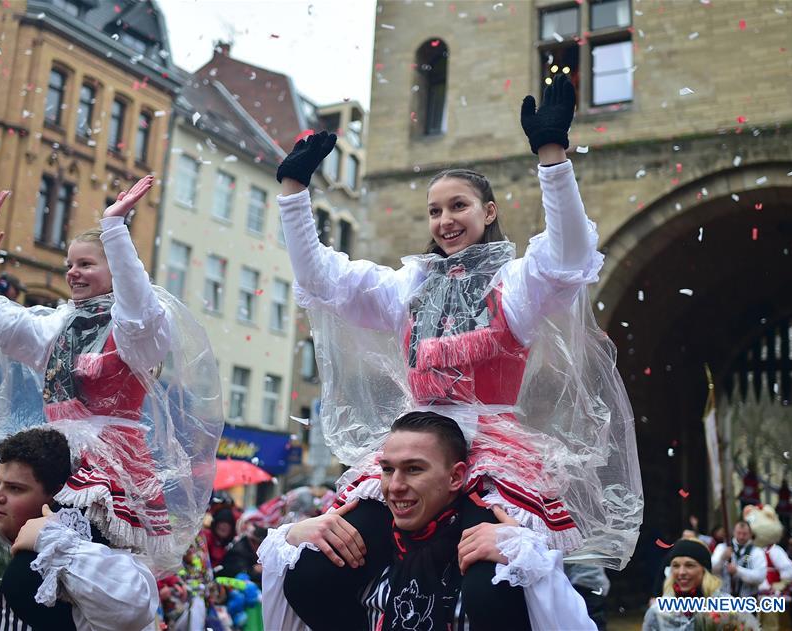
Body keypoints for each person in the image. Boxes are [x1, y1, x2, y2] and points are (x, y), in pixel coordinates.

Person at [274, 74, 640, 578]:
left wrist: (553, 159)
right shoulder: (408, 286)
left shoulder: (514, 283)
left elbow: (568, 256)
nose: (445, 220)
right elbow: (321, 279)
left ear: (489, 212)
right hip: (415, 449)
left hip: (491, 455)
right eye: (434, 211)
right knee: (318, 569)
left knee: (494, 576)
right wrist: (294, 194)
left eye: (458, 206)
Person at [0, 177, 223, 570]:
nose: (73, 273)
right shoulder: (56, 324)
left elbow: (139, 309)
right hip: (51, 453)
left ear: (116, 270)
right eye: (70, 265)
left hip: (107, 464)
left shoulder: (136, 330)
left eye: (86, 264)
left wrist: (115, 228)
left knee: (68, 564)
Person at [260, 411, 595, 630]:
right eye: (388, 469)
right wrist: (293, 537)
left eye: (414, 469)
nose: (394, 486)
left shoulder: (500, 556)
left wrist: (529, 559)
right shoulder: (362, 557)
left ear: (456, 477)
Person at [0, 427, 157, 630]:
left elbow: (134, 609)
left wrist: (56, 543)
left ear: (53, 496)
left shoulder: (74, 560)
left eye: (15, 489)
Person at [642, 538, 757, 630]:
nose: (681, 572)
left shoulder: (727, 607)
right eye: (676, 566)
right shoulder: (658, 612)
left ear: (704, 570)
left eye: (689, 565)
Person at [711, 520, 766, 597]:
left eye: (744, 534)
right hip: (724, 598)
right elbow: (712, 570)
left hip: (748, 599)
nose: (741, 536)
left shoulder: (756, 552)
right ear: (734, 532)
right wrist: (722, 559)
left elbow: (760, 577)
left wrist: (738, 571)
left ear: (750, 534)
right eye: (738, 533)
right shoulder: (722, 547)